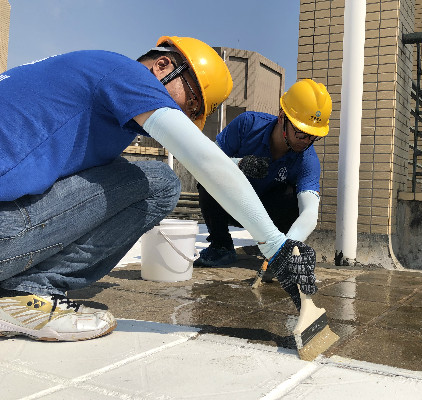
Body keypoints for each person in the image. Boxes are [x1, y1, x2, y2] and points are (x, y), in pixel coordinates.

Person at [0, 36, 317, 342]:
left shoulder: (83, 84)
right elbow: (204, 160)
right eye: (191, 104)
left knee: (130, 176)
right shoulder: (126, 74)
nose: (185, 117)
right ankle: (26, 293)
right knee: (159, 183)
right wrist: (276, 245)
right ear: (163, 66)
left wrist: (234, 166)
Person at [195, 79, 331, 273]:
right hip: (232, 207)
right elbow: (203, 160)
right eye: (301, 133)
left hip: (267, 216)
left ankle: (273, 250)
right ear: (283, 117)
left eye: (313, 136)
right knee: (209, 177)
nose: (306, 142)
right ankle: (221, 246)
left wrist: (283, 249)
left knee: (293, 197)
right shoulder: (247, 125)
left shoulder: (306, 160)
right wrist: (238, 164)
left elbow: (309, 212)